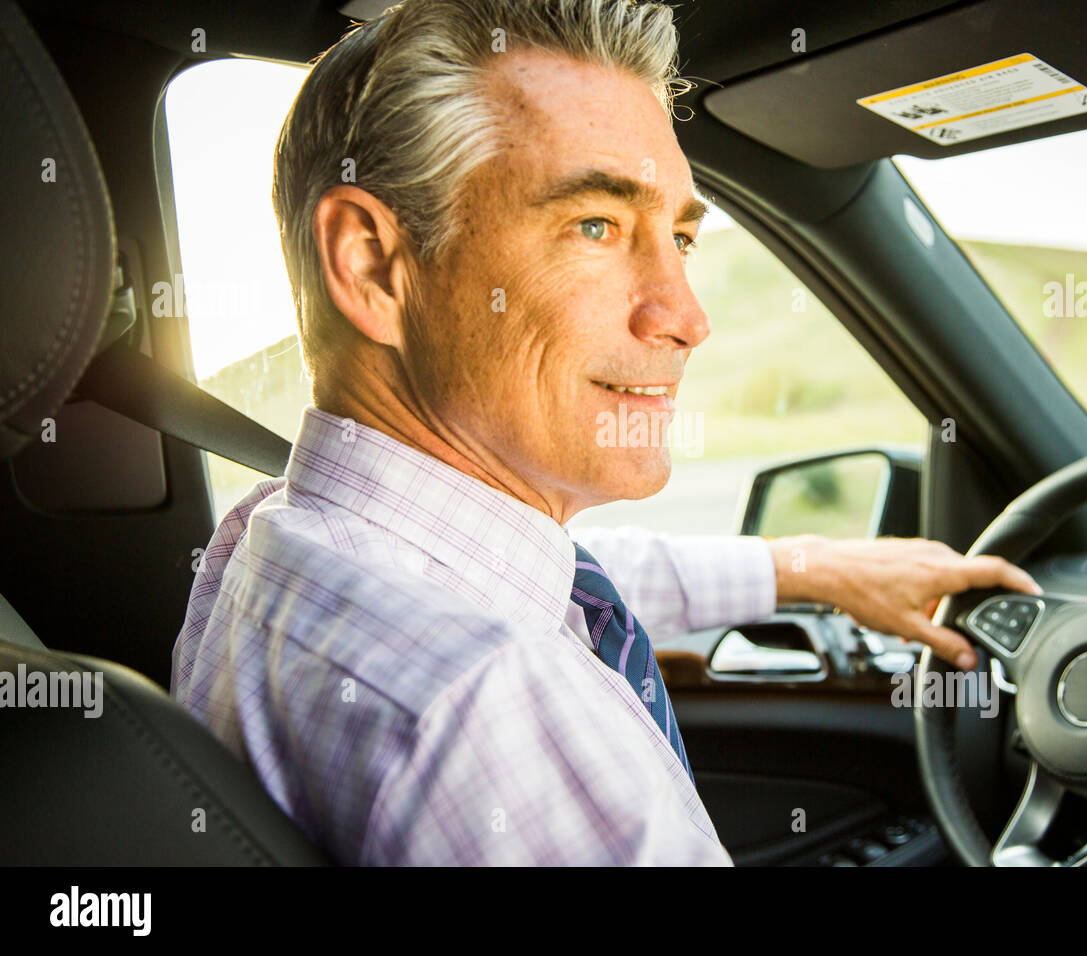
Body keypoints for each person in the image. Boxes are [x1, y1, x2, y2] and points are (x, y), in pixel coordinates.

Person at [172, 0, 1040, 865]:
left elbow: (549, 580)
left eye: (682, 238)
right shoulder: (495, 715)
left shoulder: (272, 537)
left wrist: (819, 571)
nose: (688, 318)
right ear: (374, 266)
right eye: (596, 225)